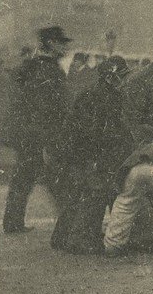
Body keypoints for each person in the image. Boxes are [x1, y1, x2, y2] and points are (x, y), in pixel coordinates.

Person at [52, 56, 135, 253]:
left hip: (86, 152)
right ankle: (80, 240)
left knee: (82, 194)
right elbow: (91, 132)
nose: (124, 81)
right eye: (121, 76)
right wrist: (98, 157)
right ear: (110, 77)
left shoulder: (105, 94)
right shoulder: (97, 97)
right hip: (86, 153)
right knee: (92, 193)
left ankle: (62, 237)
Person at [3, 26, 73, 234]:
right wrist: (50, 139)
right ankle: (70, 224)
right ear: (51, 43)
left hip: (28, 133)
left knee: (24, 177)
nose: (64, 47)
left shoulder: (33, 67)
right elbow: (47, 108)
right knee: (56, 179)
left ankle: (13, 222)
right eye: (61, 42)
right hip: (40, 135)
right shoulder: (48, 70)